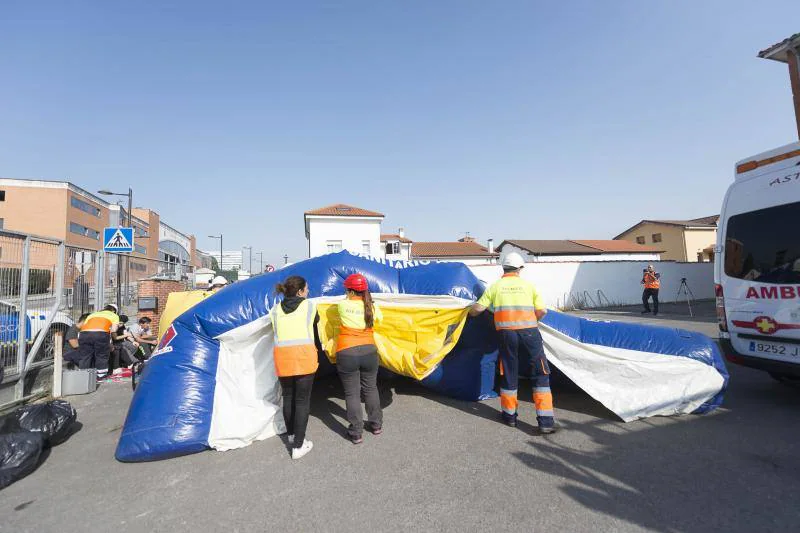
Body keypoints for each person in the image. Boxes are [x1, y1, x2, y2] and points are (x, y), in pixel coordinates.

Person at [468, 252, 556, 434]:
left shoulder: (496, 287)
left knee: (509, 371)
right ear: (520, 268)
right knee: (540, 372)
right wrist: (530, 322)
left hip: (506, 335)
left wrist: (465, 311)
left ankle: (509, 417)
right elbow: (542, 311)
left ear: (503, 268)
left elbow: (477, 310)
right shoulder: (528, 286)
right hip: (530, 333)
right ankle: (545, 421)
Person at [271, 275, 321, 460]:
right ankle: (299, 446)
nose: (308, 292)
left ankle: (292, 435)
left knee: (288, 397)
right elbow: (316, 322)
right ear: (300, 291)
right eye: (306, 289)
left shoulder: (275, 310)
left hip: (282, 359)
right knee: (302, 401)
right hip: (303, 358)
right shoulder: (309, 306)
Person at [334, 273, 384, 445]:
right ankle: (376, 424)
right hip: (369, 351)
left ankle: (356, 433)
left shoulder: (341, 305)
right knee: (370, 388)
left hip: (347, 351)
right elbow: (380, 322)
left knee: (352, 392)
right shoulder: (372, 307)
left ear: (349, 290)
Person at [75, 304, 120, 380]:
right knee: (101, 355)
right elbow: (113, 330)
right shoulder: (114, 315)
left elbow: (84, 325)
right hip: (100, 334)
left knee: (85, 356)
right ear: (114, 311)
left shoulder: (93, 314)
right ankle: (100, 376)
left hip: (84, 334)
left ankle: (82, 377)